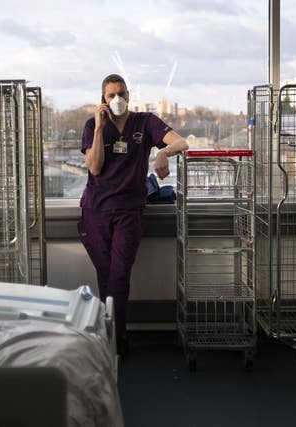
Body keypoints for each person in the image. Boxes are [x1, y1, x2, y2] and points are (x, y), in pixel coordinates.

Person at [78, 74, 188, 356]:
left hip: (129, 211)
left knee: (118, 275)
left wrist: (163, 152)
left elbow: (182, 143)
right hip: (97, 210)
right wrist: (101, 128)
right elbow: (94, 168)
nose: (117, 100)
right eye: (111, 95)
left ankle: (116, 340)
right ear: (103, 100)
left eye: (122, 94)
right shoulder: (93, 125)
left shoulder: (145, 122)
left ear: (129, 95)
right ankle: (112, 338)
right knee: (105, 275)